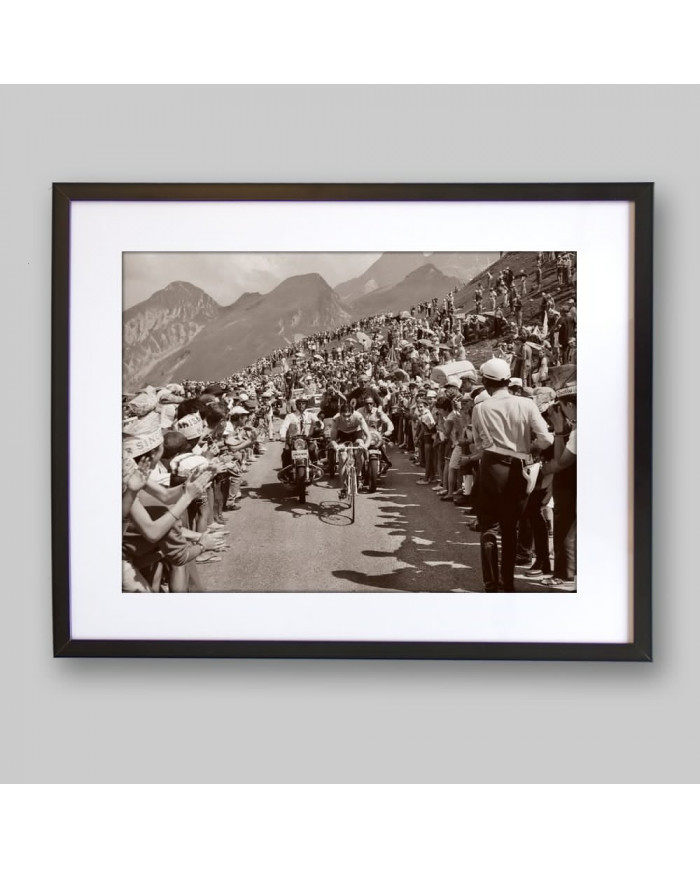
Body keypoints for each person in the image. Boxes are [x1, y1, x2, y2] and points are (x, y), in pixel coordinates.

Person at [470, 357, 554, 592]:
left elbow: (479, 444)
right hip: (518, 468)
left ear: (486, 382)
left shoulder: (480, 408)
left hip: (491, 467)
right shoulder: (526, 404)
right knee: (509, 527)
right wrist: (531, 447)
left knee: (488, 526)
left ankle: (490, 582)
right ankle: (507, 582)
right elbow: (546, 439)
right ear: (507, 380)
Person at [329, 402, 372, 499]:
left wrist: (365, 446)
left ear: (353, 413)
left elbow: (368, 435)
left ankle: (359, 475)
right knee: (343, 457)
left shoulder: (358, 416)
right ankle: (343, 487)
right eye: (344, 416)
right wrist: (336, 446)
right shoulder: (336, 419)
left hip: (356, 433)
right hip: (342, 434)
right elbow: (332, 439)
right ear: (340, 413)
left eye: (349, 416)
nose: (347, 419)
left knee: (359, 450)